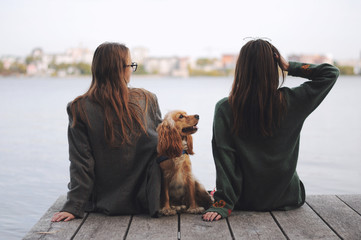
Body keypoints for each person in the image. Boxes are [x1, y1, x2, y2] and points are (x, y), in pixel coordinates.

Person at [202, 39, 339, 221]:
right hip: (287, 199)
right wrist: (290, 66)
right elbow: (330, 73)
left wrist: (223, 203)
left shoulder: (225, 109)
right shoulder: (293, 101)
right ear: (273, 68)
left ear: (241, 69)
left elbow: (225, 160)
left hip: (244, 200)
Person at [51, 42, 162, 222]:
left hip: (103, 202)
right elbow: (162, 147)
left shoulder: (79, 107)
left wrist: (74, 206)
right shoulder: (147, 99)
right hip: (147, 200)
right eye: (130, 65)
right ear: (120, 69)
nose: (131, 70)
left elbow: (81, 163)